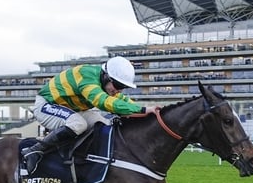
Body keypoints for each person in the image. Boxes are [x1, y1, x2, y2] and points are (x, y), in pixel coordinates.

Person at [22, 56, 161, 172]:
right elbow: (102, 102)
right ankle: (34, 150)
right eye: (118, 86)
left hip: (72, 109)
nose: (119, 91)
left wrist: (147, 110)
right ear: (106, 77)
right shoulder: (88, 76)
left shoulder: (105, 83)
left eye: (123, 87)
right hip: (46, 105)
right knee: (78, 124)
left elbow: (124, 101)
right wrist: (141, 110)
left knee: (104, 124)